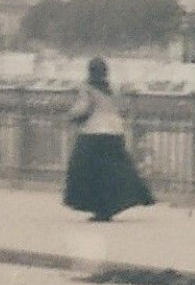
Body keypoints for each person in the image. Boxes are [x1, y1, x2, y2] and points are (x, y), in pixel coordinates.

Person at [63, 57, 155, 222]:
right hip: (114, 133)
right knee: (112, 171)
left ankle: (97, 207)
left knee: (88, 172)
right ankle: (117, 203)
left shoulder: (88, 89)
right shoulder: (113, 89)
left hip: (93, 133)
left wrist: (70, 116)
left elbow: (82, 109)